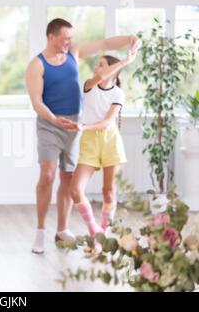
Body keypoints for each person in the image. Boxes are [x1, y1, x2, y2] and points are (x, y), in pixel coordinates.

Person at [26, 18, 140, 254]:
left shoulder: (73, 53)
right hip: (49, 124)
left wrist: (129, 40)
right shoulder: (36, 65)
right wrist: (54, 120)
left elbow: (106, 43)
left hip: (75, 124)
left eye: (70, 38)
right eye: (65, 37)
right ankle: (40, 231)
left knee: (68, 177)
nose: (69, 41)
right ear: (51, 37)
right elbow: (36, 102)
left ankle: (62, 229)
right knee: (47, 174)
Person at [71, 50, 137, 245]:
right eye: (97, 64)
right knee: (76, 190)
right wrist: (125, 61)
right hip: (90, 142)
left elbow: (108, 121)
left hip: (110, 142)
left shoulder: (118, 93)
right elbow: (99, 77)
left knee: (108, 191)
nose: (96, 67)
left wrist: (84, 126)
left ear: (112, 71)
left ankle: (103, 234)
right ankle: (95, 233)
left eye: (101, 65)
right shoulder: (89, 86)